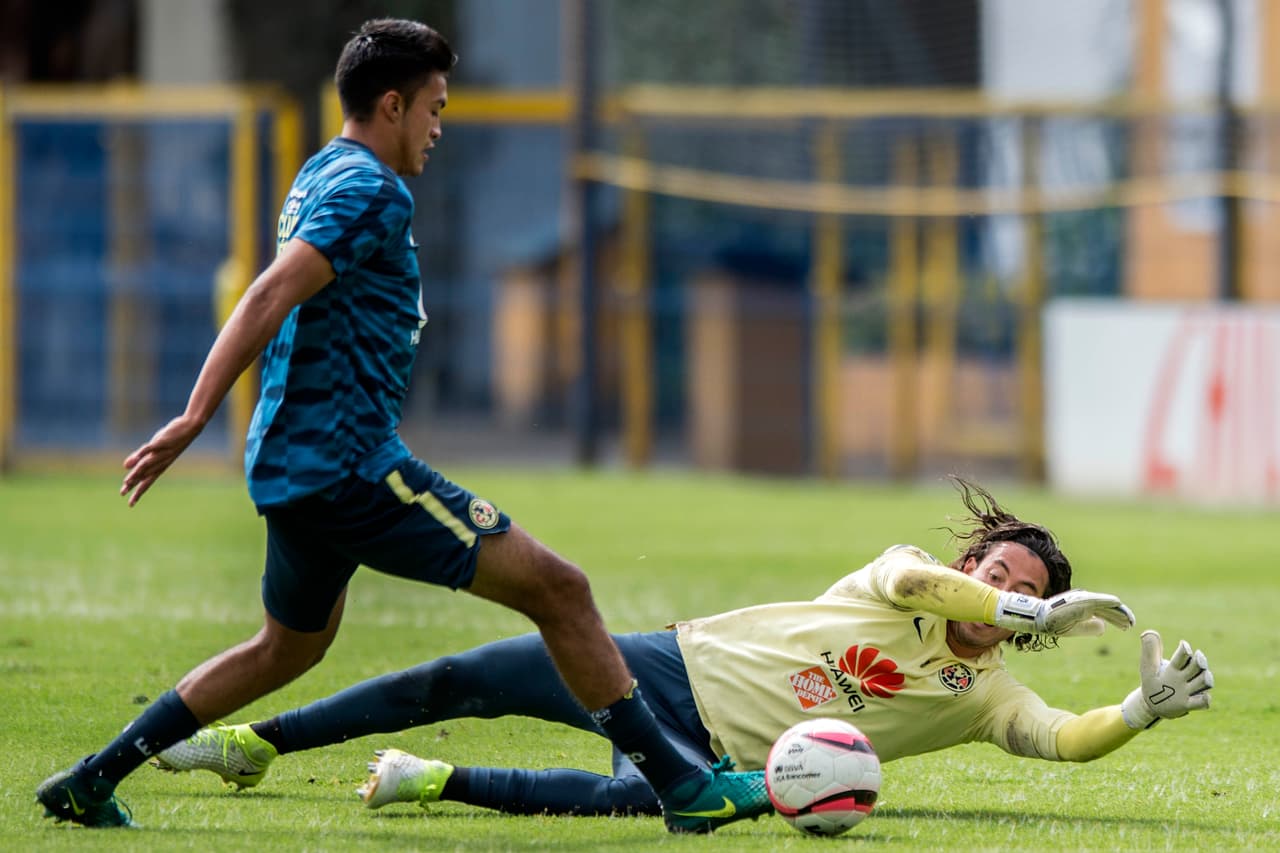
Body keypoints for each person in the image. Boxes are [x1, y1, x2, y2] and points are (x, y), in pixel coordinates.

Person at [36, 18, 783, 835]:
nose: (438, 126)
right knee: (560, 589)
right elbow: (269, 292)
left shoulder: (320, 172)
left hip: (293, 468)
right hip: (352, 467)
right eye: (434, 107)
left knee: (286, 648)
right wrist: (194, 415)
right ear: (392, 104)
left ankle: (91, 778)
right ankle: (685, 786)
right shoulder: (372, 190)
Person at [151, 479, 1209, 821]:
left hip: (716, 753)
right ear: (971, 561)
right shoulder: (902, 573)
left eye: (1027, 596)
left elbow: (1063, 738)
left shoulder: (987, 695)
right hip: (662, 664)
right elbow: (919, 585)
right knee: (459, 677)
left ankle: (432, 780)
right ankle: (256, 742)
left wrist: (1137, 712)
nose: (1004, 598)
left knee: (638, 803)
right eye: (999, 574)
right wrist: (1024, 607)